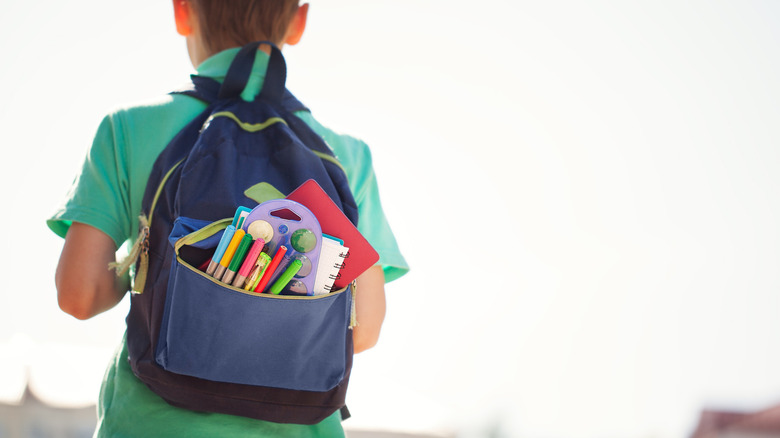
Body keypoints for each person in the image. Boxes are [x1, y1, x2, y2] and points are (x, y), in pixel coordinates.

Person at [47, 1, 409, 436]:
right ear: (299, 22)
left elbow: (79, 295)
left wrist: (160, 272)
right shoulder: (348, 156)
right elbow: (364, 329)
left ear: (182, 11)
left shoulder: (128, 128)